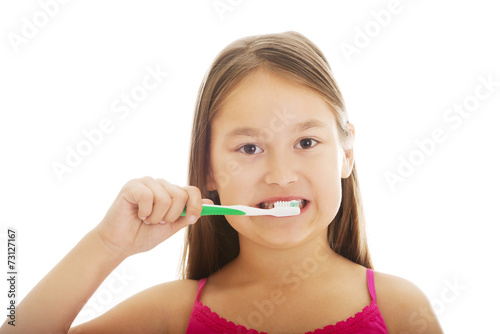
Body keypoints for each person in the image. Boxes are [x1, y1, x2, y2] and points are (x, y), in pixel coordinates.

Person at [0, 31, 443, 334]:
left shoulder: (401, 309)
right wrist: (107, 245)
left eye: (306, 141)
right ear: (208, 171)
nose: (281, 174)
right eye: (249, 148)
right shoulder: (171, 314)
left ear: (346, 154)